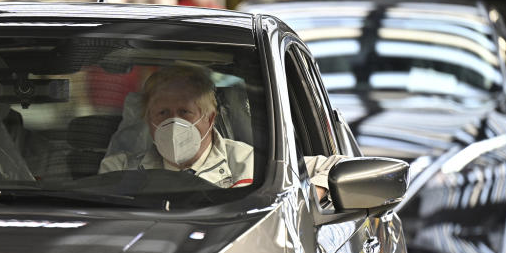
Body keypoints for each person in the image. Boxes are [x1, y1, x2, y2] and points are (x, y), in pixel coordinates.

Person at [100, 65, 341, 198]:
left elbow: (333, 165)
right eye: (162, 113)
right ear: (148, 120)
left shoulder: (251, 164)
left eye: (185, 112)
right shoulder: (120, 169)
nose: (173, 123)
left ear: (210, 119)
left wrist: (308, 202)